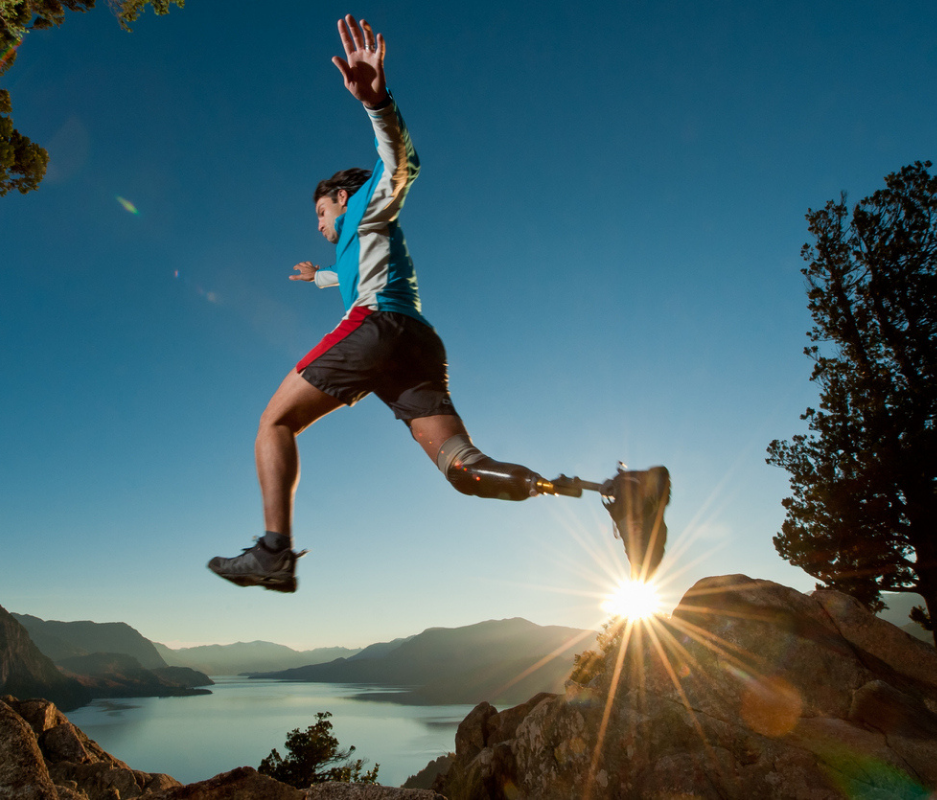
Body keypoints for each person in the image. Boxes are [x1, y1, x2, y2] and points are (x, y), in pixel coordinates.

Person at [208, 15, 669, 593]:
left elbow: (402, 165)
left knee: (274, 421)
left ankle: (274, 551)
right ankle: (618, 492)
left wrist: (377, 103)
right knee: (465, 470)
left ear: (340, 198)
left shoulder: (366, 205)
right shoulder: (358, 240)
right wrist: (320, 277)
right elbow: (357, 273)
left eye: (320, 213)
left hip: (378, 327)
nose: (320, 224)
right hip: (414, 345)